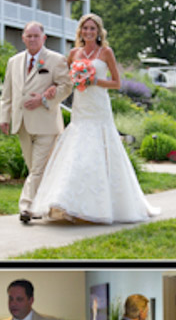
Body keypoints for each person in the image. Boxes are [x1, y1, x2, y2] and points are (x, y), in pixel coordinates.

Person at [29, 13, 161, 224]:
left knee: (99, 149)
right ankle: (68, 204)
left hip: (99, 108)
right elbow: (65, 79)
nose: (89, 32)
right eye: (85, 28)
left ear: (99, 32)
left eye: (93, 29)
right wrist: (50, 89)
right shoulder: (73, 53)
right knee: (77, 151)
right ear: (80, 31)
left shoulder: (106, 52)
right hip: (80, 108)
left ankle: (103, 206)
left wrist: (94, 80)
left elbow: (117, 83)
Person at [0, 22, 72, 224]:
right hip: (21, 123)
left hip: (47, 123)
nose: (32, 39)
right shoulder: (13, 61)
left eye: (36, 36)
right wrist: (4, 117)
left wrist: (44, 99)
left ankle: (27, 207)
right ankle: (44, 206)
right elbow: (7, 93)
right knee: (35, 169)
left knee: (38, 169)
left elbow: (66, 86)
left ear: (43, 38)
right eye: (28, 36)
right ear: (23, 37)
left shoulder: (56, 60)